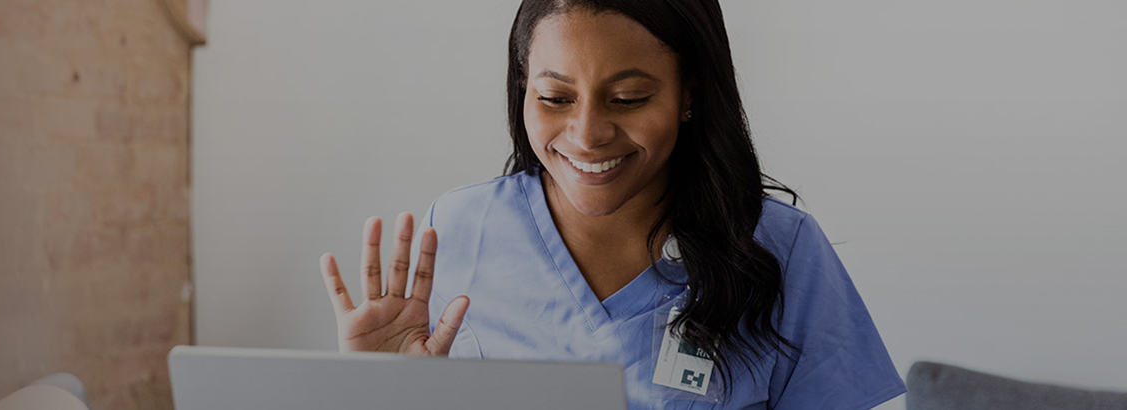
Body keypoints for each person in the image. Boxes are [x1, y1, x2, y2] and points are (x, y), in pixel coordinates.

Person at [314, 0, 904, 408]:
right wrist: (383, 394)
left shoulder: (779, 247)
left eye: (628, 98)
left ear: (689, 94)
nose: (587, 133)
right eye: (554, 96)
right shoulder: (461, 228)